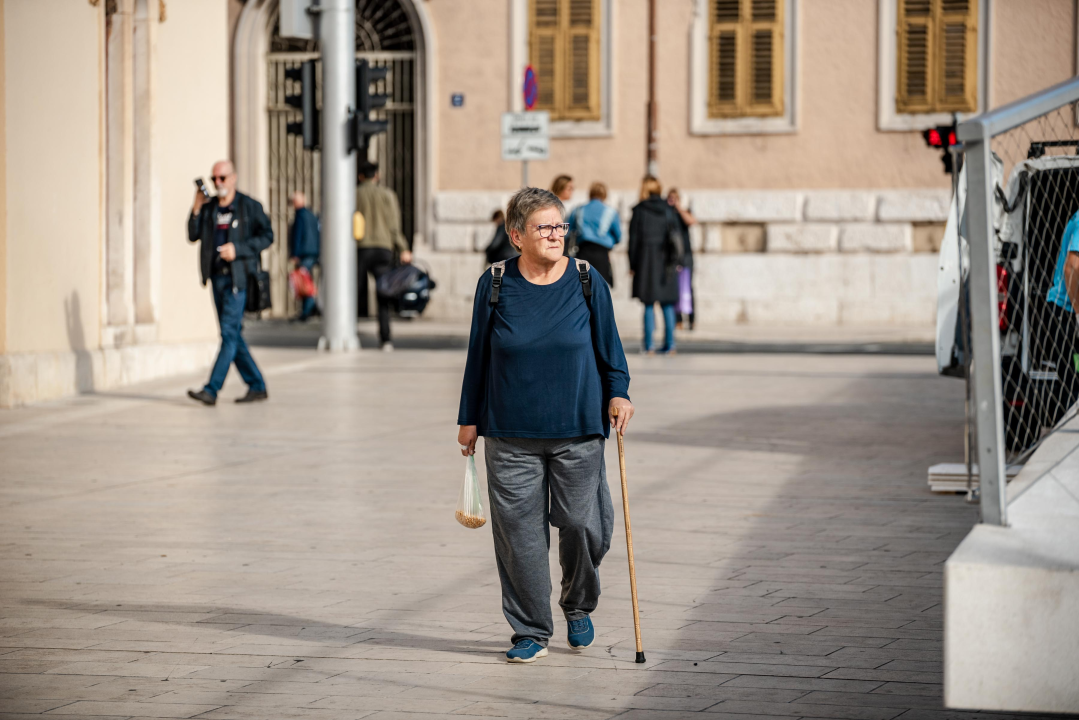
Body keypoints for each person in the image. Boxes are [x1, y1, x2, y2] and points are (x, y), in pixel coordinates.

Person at [457, 186, 634, 664]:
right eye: (545, 227)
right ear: (517, 235)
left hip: (578, 428)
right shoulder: (495, 283)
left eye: (560, 225)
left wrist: (619, 393)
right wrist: (468, 418)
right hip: (509, 432)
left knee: (582, 524)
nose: (557, 234)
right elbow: (478, 355)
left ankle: (577, 603)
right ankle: (530, 629)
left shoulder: (586, 279)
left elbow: (610, 350)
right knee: (519, 537)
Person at [186, 160, 272, 405]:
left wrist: (238, 249)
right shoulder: (210, 207)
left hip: (238, 278)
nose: (218, 183)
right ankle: (257, 385)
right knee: (233, 335)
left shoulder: (249, 206)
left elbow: (268, 236)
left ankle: (211, 389)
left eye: (222, 178)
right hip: (217, 278)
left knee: (228, 333)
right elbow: (192, 235)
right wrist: (196, 207)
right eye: (214, 179)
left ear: (233, 178)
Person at [355, 160, 412, 351]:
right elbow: (394, 226)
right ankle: (385, 339)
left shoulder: (354, 194)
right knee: (383, 294)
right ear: (377, 176)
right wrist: (403, 248)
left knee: (355, 291)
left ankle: (349, 333)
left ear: (360, 176)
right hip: (383, 249)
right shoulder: (388, 195)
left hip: (361, 248)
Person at [629, 176, 681, 355]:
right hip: (667, 261)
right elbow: (677, 236)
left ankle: (649, 345)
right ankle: (670, 344)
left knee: (648, 304)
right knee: (667, 303)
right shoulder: (668, 209)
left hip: (646, 261)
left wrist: (632, 263)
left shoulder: (639, 210)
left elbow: (633, 240)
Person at [567, 182, 622, 287]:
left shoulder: (578, 210)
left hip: (583, 251)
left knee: (582, 285)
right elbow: (618, 236)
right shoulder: (611, 212)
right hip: (602, 253)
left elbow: (568, 230)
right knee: (601, 286)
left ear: (590, 194)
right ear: (605, 194)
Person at [288, 191, 320, 322]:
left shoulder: (300, 215)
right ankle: (309, 309)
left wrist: (295, 254)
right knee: (307, 280)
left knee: (304, 283)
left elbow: (298, 235)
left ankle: (308, 310)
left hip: (304, 253)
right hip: (313, 252)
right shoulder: (312, 215)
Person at [667, 188, 696, 330]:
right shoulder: (667, 214)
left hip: (686, 255)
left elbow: (691, 221)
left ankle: (691, 319)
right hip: (673, 256)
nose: (672, 201)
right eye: (670, 198)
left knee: (688, 287)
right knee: (674, 288)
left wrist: (679, 208)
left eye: (674, 198)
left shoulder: (683, 212)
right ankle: (678, 320)